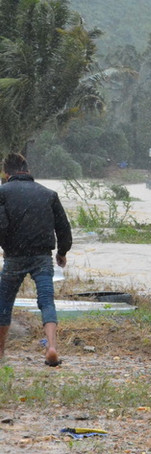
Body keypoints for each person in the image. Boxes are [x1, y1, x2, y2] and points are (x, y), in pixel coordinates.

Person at [0, 153, 72, 366]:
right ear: (28, 170)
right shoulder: (48, 194)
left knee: (4, 303)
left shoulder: (2, 193)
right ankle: (51, 347)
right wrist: (62, 252)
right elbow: (63, 228)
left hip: (14, 257)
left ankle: (1, 353)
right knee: (46, 300)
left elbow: (1, 226)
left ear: (6, 173)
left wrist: (7, 247)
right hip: (42, 256)